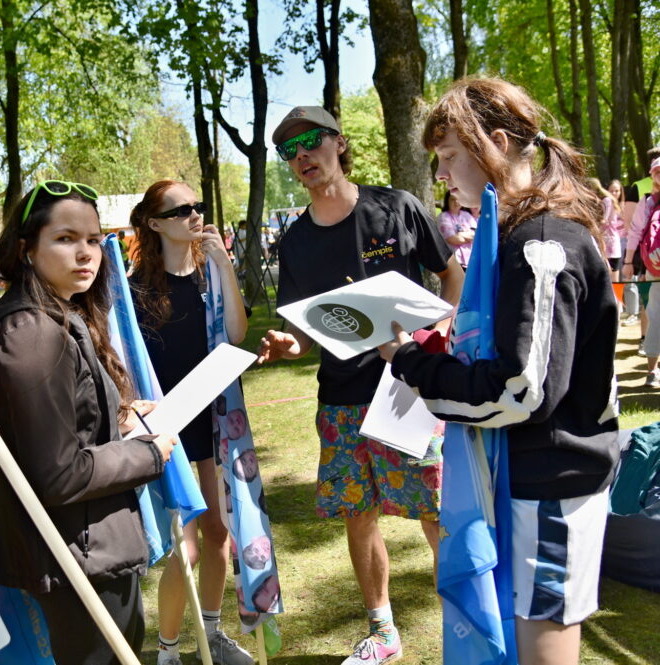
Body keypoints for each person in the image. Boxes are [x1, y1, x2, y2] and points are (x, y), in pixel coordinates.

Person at [379, 77, 620, 665]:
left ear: (499, 144)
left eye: (449, 156)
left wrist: (412, 364)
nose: (441, 174)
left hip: (551, 483)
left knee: (542, 648)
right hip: (523, 476)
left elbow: (520, 391)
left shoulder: (541, 242)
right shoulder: (517, 233)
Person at [258, 105, 464, 665]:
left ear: (339, 143)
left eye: (311, 141)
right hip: (341, 400)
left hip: (408, 390)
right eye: (290, 150)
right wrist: (289, 346)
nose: (302, 155)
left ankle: (466, 625)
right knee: (359, 512)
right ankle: (383, 632)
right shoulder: (295, 242)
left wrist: (437, 335)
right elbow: (306, 331)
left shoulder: (396, 207)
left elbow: (451, 275)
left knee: (435, 510)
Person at [0, 180, 176, 665]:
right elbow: (59, 472)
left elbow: (66, 425)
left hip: (90, 548)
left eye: (93, 239)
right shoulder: (31, 332)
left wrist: (121, 418)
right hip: (75, 556)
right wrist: (147, 454)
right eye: (65, 238)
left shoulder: (59, 314)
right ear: (26, 249)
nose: (85, 253)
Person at [127, 180, 252, 665]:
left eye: (197, 206)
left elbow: (237, 334)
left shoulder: (209, 277)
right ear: (154, 223)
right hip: (167, 426)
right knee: (187, 549)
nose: (195, 215)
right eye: (181, 210)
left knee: (220, 533)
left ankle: (212, 635)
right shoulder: (136, 289)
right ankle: (168, 652)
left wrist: (224, 265)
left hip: (213, 420)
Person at [622, 155, 660, 386]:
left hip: (654, 265)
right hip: (654, 266)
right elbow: (635, 232)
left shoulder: (647, 201)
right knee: (655, 315)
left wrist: (629, 262)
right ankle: (653, 370)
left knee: (655, 316)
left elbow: (635, 232)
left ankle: (652, 372)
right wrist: (628, 262)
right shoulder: (646, 201)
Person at [610, 179, 640, 325]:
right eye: (611, 190)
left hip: (626, 243)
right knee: (615, 281)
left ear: (621, 192)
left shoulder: (626, 205)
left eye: (617, 190)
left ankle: (633, 312)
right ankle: (618, 309)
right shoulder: (605, 205)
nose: (614, 193)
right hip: (611, 246)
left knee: (629, 279)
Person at [437, 190, 478, 269]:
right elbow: (452, 239)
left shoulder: (467, 215)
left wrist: (460, 235)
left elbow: (477, 234)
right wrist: (468, 235)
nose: (456, 202)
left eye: (458, 199)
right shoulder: (443, 217)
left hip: (470, 261)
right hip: (453, 262)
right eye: (452, 199)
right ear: (447, 201)